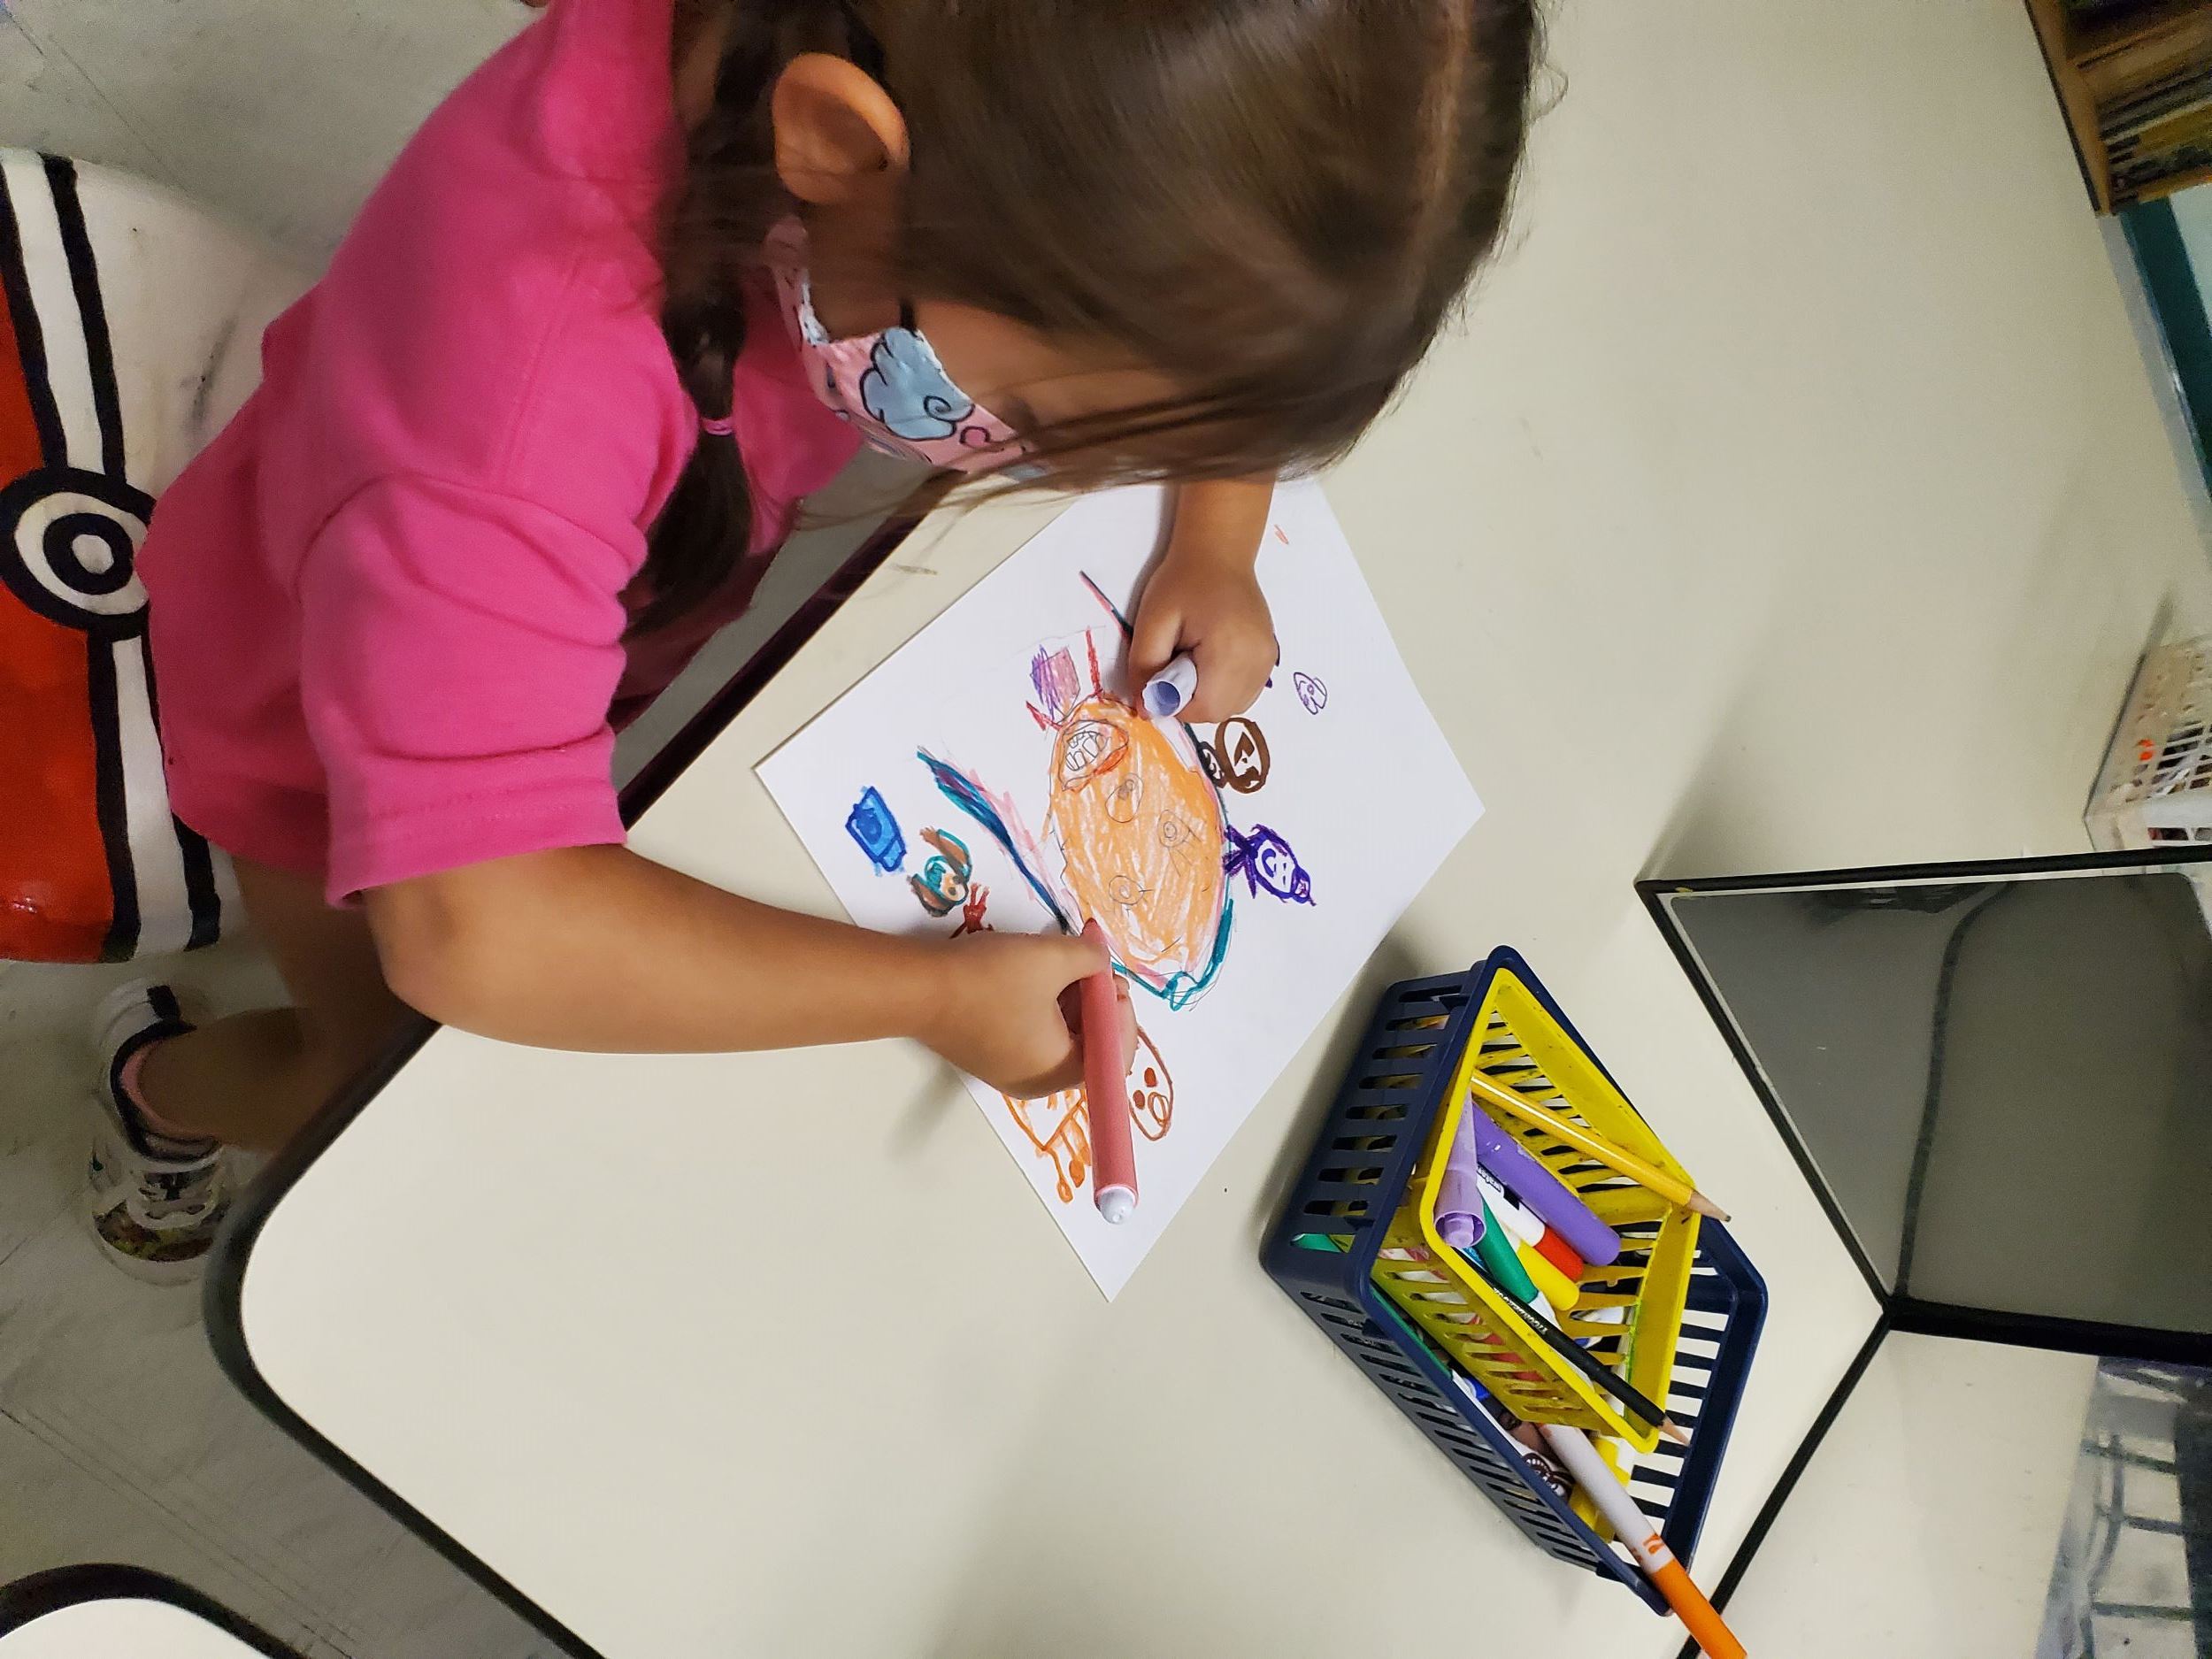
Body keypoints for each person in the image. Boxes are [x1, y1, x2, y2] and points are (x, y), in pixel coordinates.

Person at [93, 0, 1540, 1276]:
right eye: (1048, 422)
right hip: (304, 703)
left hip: (559, 600)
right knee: (375, 1082)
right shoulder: (510, 434)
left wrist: (1216, 529)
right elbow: (479, 930)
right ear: (839, 149)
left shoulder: (935, 74)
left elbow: (1221, 274)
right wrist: (932, 997)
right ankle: (157, 1090)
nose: (1051, 467)